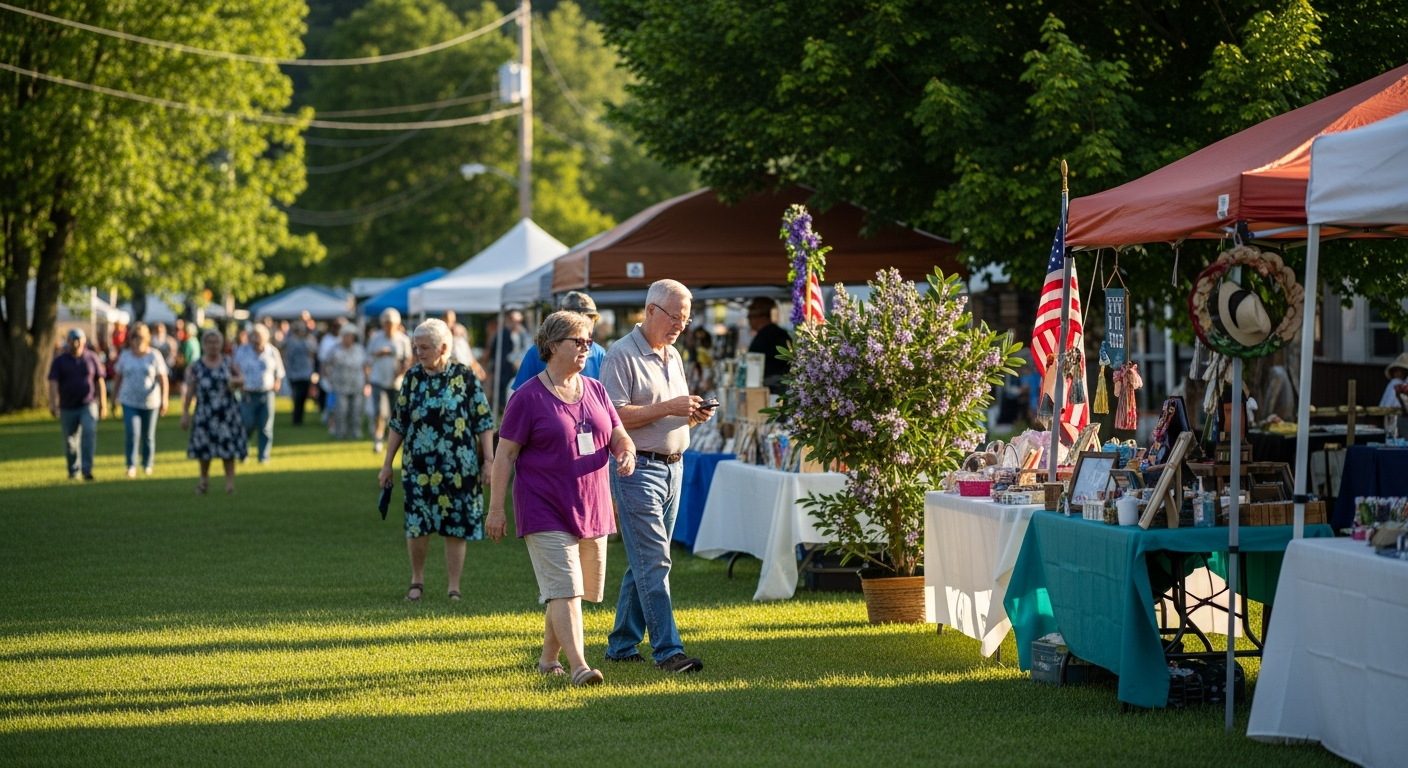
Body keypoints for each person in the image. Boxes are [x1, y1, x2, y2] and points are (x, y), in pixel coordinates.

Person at [488, 311, 637, 686]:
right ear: (553, 345)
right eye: (578, 341)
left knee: (572, 590)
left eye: (589, 341)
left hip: (592, 506)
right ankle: (579, 667)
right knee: (566, 587)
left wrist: (626, 452)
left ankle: (547, 658)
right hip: (543, 507)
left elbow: (618, 434)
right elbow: (504, 455)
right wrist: (495, 509)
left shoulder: (597, 389)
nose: (587, 348)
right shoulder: (526, 397)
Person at [599, 279, 714, 672]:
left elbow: (669, 415)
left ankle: (621, 645)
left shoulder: (674, 354)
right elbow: (612, 416)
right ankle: (668, 651)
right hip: (638, 468)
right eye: (675, 317)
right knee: (655, 561)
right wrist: (669, 407)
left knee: (644, 561)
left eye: (685, 318)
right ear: (650, 311)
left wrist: (692, 417)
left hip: (673, 467)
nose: (680, 325)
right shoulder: (620, 355)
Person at [377, 319, 496, 603]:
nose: (419, 352)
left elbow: (484, 421)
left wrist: (489, 460)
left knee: (455, 525)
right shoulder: (413, 377)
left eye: (425, 347)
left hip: (459, 467)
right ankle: (417, 581)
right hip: (418, 467)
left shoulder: (465, 376)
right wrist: (386, 464)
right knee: (418, 523)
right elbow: (398, 423)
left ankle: (453, 586)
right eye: (417, 346)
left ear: (443, 347)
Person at [180, 328, 247, 494]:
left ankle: (230, 484)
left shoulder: (227, 362)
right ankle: (203, 481)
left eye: (216, 342)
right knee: (204, 450)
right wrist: (185, 413)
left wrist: (235, 381)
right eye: (209, 342)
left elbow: (242, 379)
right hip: (205, 412)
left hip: (227, 413)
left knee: (228, 449)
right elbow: (190, 391)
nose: (213, 345)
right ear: (204, 345)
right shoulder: (196, 366)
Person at [512, 293, 607, 391]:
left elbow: (606, 394)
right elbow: (521, 395)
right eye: (577, 318)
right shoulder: (537, 351)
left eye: (591, 318)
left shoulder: (599, 353)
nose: (585, 322)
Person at [111, 323, 170, 478]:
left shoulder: (154, 355)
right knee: (132, 432)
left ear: (146, 339)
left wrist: (164, 399)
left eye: (140, 338)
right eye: (134, 338)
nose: (137, 342)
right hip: (129, 401)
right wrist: (113, 399)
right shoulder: (125, 356)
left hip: (151, 402)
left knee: (148, 435)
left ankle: (147, 464)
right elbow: (118, 378)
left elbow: (163, 379)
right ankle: (131, 465)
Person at [48, 328, 107, 481]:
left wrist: (103, 404)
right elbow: (53, 383)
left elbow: (100, 381)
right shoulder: (59, 361)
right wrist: (53, 404)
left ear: (84, 341)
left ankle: (87, 470)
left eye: (78, 339)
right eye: (72, 339)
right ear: (67, 341)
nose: (75, 343)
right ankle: (73, 471)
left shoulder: (91, 358)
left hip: (88, 403)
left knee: (89, 432)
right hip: (67, 406)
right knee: (70, 441)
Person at [233, 324, 285, 464]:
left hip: (266, 393)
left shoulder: (272, 351)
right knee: (246, 425)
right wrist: (238, 382)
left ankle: (263, 457)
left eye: (259, 336)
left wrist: (277, 383)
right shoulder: (242, 351)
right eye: (254, 336)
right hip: (248, 393)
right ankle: (243, 453)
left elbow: (279, 372)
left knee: (265, 427)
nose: (256, 339)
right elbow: (234, 367)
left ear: (266, 338)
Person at [367, 308, 413, 454]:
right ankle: (378, 438)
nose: (389, 326)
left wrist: (400, 372)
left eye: (391, 323)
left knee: (396, 413)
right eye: (386, 323)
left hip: (396, 382)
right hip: (378, 379)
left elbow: (408, 360)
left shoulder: (403, 339)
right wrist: (380, 353)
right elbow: (367, 357)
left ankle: (395, 440)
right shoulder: (376, 338)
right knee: (379, 412)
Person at [325, 325, 368, 440]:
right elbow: (325, 364)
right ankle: (340, 433)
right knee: (341, 411)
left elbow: (365, 366)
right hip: (340, 386)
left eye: (351, 336)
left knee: (357, 411)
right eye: (346, 336)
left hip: (357, 385)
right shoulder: (335, 349)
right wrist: (329, 379)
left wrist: (367, 383)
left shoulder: (359, 349)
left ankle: (356, 433)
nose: (349, 338)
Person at [485, 309, 531, 411]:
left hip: (511, 372)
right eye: (514, 321)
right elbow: (498, 354)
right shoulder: (503, 334)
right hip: (503, 372)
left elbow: (527, 346)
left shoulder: (519, 333)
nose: (517, 324)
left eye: (519, 321)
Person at [746, 297, 793, 394]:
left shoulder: (767, 336)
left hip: (772, 389)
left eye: (750, 316)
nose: (749, 321)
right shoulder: (779, 334)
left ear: (761, 316)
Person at [282, 323, 318, 426]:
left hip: (305, 372)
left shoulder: (308, 341)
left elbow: (312, 353)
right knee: (296, 396)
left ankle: (299, 417)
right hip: (294, 372)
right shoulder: (291, 342)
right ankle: (296, 418)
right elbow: (286, 355)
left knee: (302, 395)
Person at [177, 321, 201, 399]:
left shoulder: (189, 342)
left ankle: (185, 397)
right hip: (197, 364)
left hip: (190, 365)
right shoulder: (196, 341)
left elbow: (187, 356)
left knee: (187, 382)